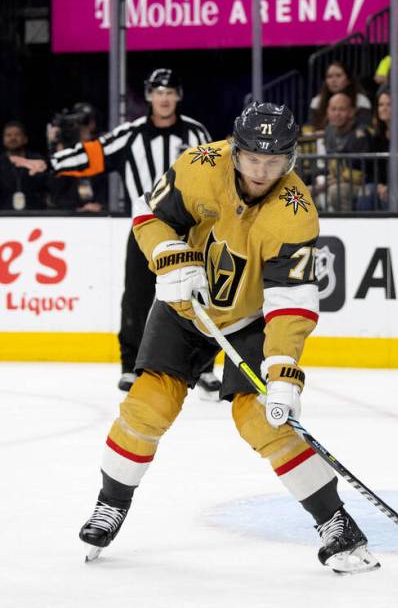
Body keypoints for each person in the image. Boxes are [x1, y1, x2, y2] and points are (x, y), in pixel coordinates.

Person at [76, 102, 379, 574]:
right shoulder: (199, 166)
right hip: (184, 306)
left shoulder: (296, 214)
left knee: (263, 420)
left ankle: (337, 523)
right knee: (149, 405)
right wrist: (169, 254)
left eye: (274, 161)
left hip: (252, 319)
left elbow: (291, 303)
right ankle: (111, 503)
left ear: (291, 160)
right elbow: (148, 215)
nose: (262, 171)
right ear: (235, 152)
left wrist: (282, 375)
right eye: (253, 159)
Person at [50, 69, 215, 395]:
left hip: (191, 231)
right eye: (158, 91)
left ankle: (204, 367)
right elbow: (93, 154)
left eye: (170, 92)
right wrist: (57, 160)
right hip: (145, 228)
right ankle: (130, 365)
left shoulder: (197, 133)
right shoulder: (130, 134)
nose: (164, 98)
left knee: (199, 296)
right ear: (149, 96)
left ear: (178, 95)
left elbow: (219, 174)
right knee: (137, 299)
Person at [320, 92, 372, 212]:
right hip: (335, 179)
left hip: (360, 184)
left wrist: (327, 184)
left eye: (342, 109)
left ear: (351, 112)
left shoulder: (360, 134)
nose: (337, 113)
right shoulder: (329, 131)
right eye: (333, 109)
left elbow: (362, 173)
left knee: (336, 191)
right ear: (328, 111)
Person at [309, 61, 371, 131]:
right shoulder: (316, 101)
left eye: (338, 76)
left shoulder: (361, 100)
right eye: (329, 77)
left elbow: (365, 128)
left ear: (348, 80)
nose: (333, 80)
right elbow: (310, 128)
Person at [1, 121, 49, 210]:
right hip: (4, 215)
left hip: (35, 213)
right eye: (8, 135)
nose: (13, 138)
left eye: (17, 134)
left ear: (25, 139)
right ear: (3, 140)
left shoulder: (37, 160)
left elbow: (48, 187)